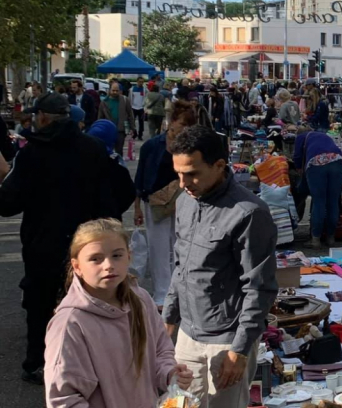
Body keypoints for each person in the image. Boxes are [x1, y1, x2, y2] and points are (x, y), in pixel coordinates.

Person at [0, 92, 122, 384]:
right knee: (88, 301)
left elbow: (8, 203)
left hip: (43, 242)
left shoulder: (31, 153)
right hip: (87, 242)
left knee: (40, 302)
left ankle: (39, 361)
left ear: (42, 117)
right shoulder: (93, 149)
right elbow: (117, 192)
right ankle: (90, 361)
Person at [163, 126, 279, 406]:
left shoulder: (249, 213)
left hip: (227, 340)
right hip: (188, 334)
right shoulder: (185, 203)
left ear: (219, 166)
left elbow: (260, 288)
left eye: (191, 173)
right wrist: (168, 320)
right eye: (178, 173)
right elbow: (181, 267)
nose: (183, 183)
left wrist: (238, 351)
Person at [43, 219, 193, 407]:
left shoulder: (141, 299)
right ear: (77, 266)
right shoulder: (70, 323)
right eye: (95, 258)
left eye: (116, 255)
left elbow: (161, 350)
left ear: (129, 256)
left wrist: (170, 374)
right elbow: (63, 399)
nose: (108, 265)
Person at [133, 101, 197, 306]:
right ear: (171, 122)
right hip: (157, 201)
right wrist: (136, 206)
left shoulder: (192, 145)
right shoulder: (153, 145)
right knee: (158, 247)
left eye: (188, 126)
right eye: (181, 125)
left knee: (183, 246)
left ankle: (180, 289)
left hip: (185, 200)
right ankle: (163, 292)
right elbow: (141, 176)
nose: (183, 130)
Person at [294, 130, 342, 249]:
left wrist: (299, 170)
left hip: (316, 163)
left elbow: (297, 156)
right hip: (337, 160)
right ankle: (331, 238)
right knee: (333, 201)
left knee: (319, 201)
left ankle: (315, 239)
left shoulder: (301, 136)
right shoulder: (324, 135)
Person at [87, 119, 137, 218]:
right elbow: (129, 193)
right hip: (110, 220)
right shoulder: (115, 163)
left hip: (84, 223)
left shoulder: (80, 159)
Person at [97, 81, 136, 155]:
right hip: (108, 130)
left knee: (119, 150)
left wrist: (132, 128)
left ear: (120, 91)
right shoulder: (104, 102)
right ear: (109, 90)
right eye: (113, 90)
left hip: (120, 130)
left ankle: (119, 164)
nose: (115, 92)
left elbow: (130, 114)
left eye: (117, 91)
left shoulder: (125, 100)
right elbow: (100, 117)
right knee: (108, 149)